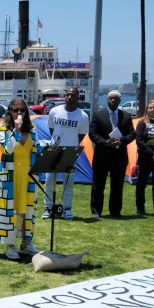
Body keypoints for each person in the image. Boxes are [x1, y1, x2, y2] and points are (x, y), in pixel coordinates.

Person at [0, 97, 40, 260]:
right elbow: (7, 150)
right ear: (10, 112)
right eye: (15, 110)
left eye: (22, 110)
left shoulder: (33, 129)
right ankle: (9, 245)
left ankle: (26, 243)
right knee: (10, 210)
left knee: (27, 209)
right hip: (10, 177)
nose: (19, 113)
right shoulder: (4, 129)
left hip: (28, 177)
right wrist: (17, 131)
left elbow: (36, 150)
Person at [42, 87, 89, 220]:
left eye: (72, 95)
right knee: (50, 180)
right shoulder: (55, 111)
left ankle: (67, 208)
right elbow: (51, 130)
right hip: (54, 149)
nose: (69, 97)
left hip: (70, 152)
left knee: (68, 181)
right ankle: (48, 207)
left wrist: (70, 144)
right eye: (67, 95)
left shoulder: (83, 116)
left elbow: (81, 136)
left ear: (78, 98)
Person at [88, 90, 136, 218]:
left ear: (119, 101)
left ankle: (115, 211)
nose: (113, 100)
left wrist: (121, 140)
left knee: (117, 185)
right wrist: (105, 142)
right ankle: (96, 211)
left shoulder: (126, 116)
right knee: (98, 185)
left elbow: (132, 134)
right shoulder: (98, 115)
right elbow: (92, 134)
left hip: (119, 156)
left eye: (115, 99)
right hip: (102, 155)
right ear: (107, 100)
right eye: (111, 98)